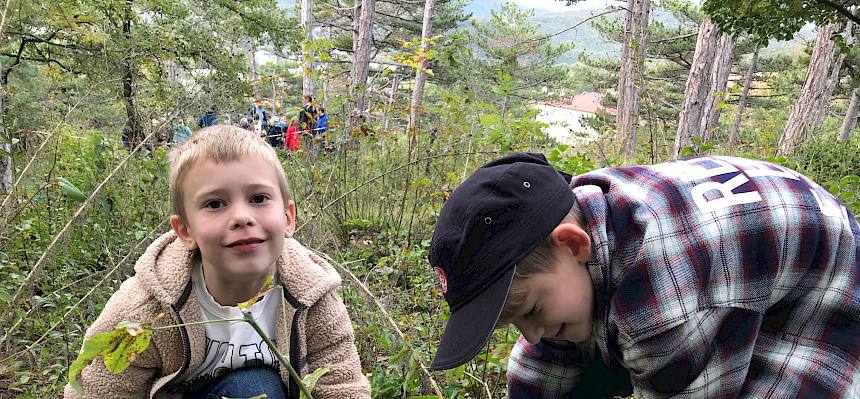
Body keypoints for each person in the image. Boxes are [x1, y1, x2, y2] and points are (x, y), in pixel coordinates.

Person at [427, 153, 860, 398]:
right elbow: (539, 369)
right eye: (515, 322)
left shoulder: (661, 303)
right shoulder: (576, 228)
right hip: (738, 270)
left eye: (531, 310)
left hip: (826, 297)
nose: (532, 334)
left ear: (574, 244)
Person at [64, 126, 370, 399]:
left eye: (259, 198)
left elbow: (342, 387)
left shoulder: (311, 297)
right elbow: (98, 389)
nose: (241, 217)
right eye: (215, 204)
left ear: (288, 218)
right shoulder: (148, 309)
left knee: (254, 386)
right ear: (185, 230)